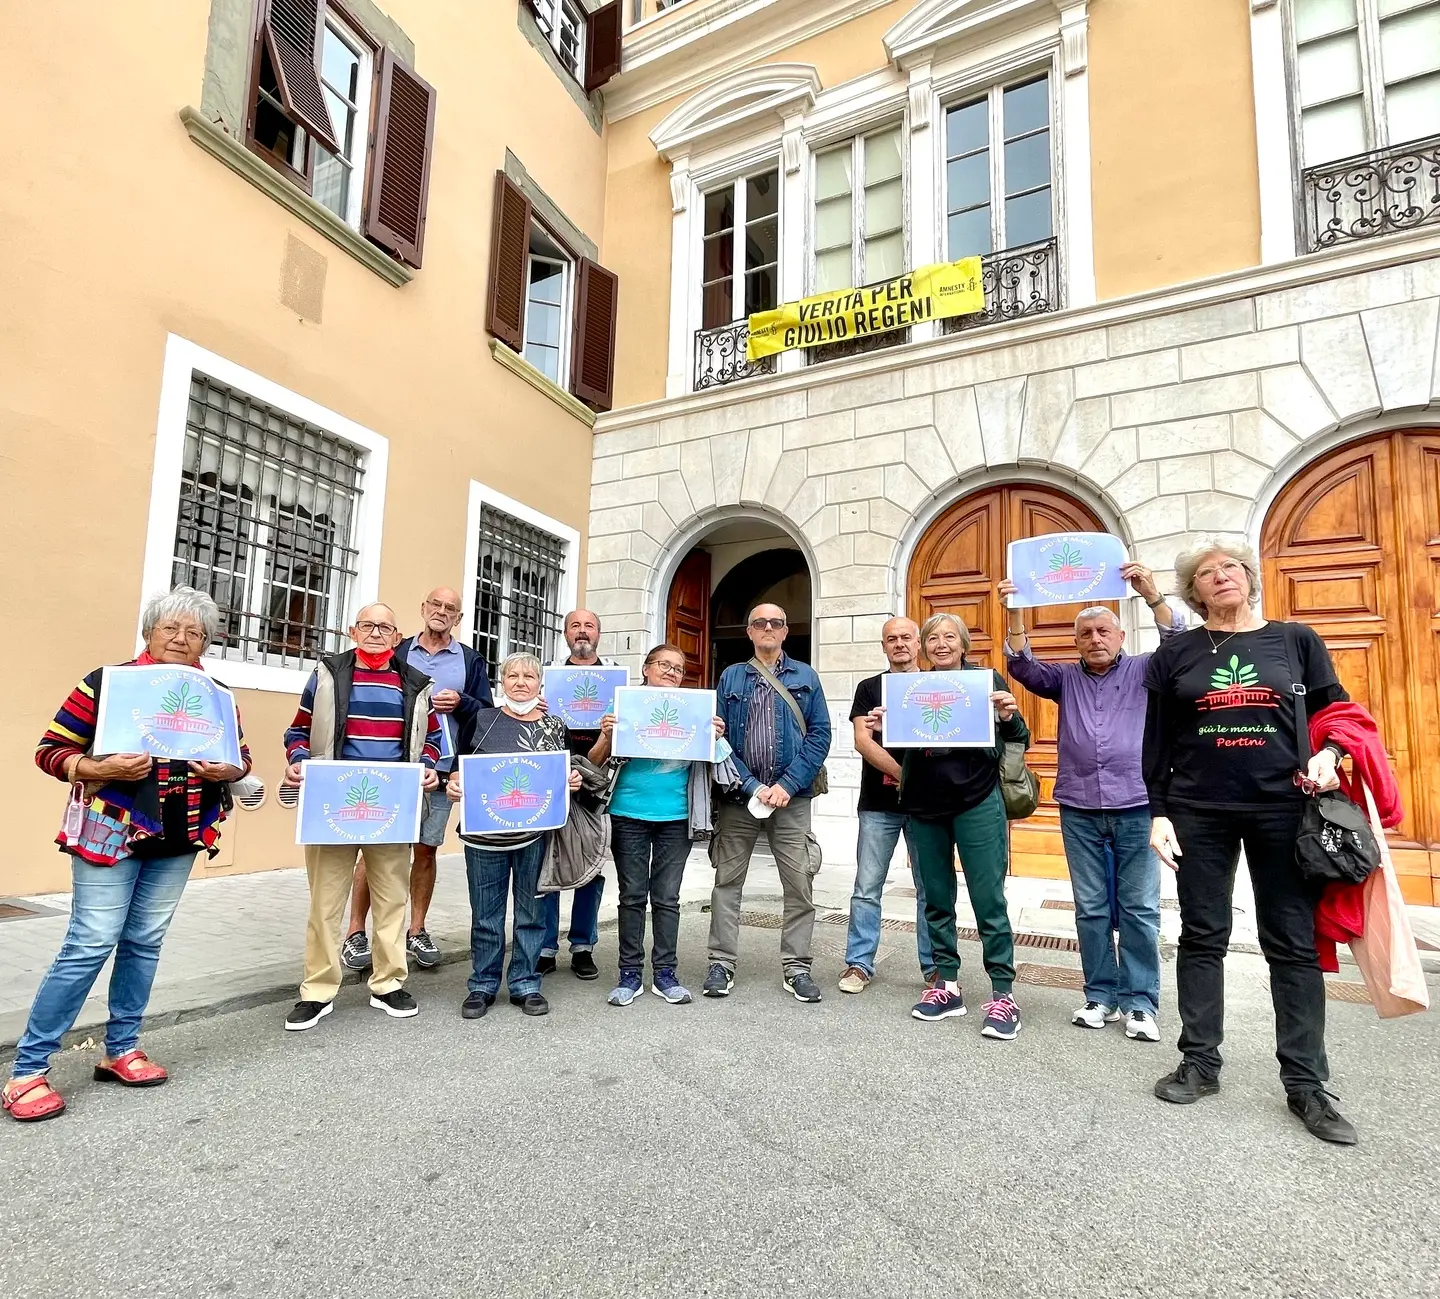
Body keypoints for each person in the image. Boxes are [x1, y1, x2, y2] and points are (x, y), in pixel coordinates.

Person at [4, 588, 250, 1123]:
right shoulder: (108, 683)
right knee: (90, 940)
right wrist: (99, 769)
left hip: (181, 831)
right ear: (149, 632)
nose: (182, 639)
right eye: (171, 629)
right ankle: (28, 1069)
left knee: (144, 941)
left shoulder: (216, 692)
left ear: (206, 642)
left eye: (195, 633)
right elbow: (50, 750)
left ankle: (121, 1050)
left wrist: (227, 771)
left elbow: (239, 758)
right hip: (111, 828)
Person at [1143, 541, 1359, 1144]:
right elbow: (1156, 740)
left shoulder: (1295, 641)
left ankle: (1307, 1086)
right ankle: (1200, 1062)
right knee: (1201, 934)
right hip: (1197, 811)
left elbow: (1336, 713)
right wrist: (1158, 812)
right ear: (1194, 592)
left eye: (1230, 568)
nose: (1220, 577)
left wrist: (1331, 753)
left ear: (1249, 578)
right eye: (1207, 574)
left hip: (1283, 807)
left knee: (1290, 942)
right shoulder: (1177, 653)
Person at [999, 563, 1183, 1042]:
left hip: (1137, 805)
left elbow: (1179, 643)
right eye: (1085, 633)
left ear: (1121, 635)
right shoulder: (1065, 679)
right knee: (1091, 907)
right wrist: (1016, 612)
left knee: (1140, 907)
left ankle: (1141, 1004)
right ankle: (1100, 995)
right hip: (1079, 806)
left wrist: (1152, 594)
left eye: (1104, 630)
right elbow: (1021, 666)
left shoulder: (1145, 669)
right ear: (1076, 640)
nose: (1095, 638)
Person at [865, 612, 1030, 1040]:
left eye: (949, 637)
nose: (941, 644)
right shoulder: (908, 689)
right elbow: (897, 743)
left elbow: (1019, 735)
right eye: (933, 637)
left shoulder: (986, 680)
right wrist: (886, 727)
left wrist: (1009, 715)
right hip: (924, 804)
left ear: (963, 645)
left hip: (977, 800)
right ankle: (947, 986)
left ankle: (1003, 994)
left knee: (988, 899)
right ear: (924, 645)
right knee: (937, 898)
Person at [282, 604, 441, 1031]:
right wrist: (298, 759)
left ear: (396, 636)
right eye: (367, 625)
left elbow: (435, 740)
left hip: (391, 808)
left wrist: (428, 766)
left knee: (391, 899)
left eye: (385, 627)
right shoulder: (327, 674)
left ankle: (388, 983)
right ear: (353, 630)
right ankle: (317, 990)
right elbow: (297, 730)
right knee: (325, 902)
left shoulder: (417, 682)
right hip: (332, 805)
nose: (375, 632)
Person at [340, 587, 493, 973]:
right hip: (397, 768)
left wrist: (462, 702)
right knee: (374, 848)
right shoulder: (399, 650)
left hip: (441, 768)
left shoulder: (471, 660)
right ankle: (356, 932)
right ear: (423, 609)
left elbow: (486, 716)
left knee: (425, 849)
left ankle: (417, 930)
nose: (442, 612)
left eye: (451, 609)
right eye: (436, 605)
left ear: (458, 618)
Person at [586, 643, 728, 1007]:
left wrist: (715, 735)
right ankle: (629, 974)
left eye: (678, 668)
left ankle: (666, 974)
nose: (671, 672)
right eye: (664, 665)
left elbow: (721, 761)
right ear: (646, 670)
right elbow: (594, 762)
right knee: (632, 896)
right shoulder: (624, 705)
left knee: (667, 898)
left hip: (677, 816)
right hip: (628, 813)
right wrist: (605, 734)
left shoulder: (694, 712)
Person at [703, 603, 831, 1003]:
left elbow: (821, 736)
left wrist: (788, 784)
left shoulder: (806, 676)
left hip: (791, 801)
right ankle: (721, 963)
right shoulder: (731, 677)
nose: (768, 628)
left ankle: (797, 968)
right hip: (739, 798)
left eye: (776, 622)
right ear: (750, 631)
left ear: (785, 630)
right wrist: (753, 785)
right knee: (727, 882)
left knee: (798, 884)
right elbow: (717, 737)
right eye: (760, 623)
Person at [446, 652, 583, 1019]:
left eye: (529, 676)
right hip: (484, 837)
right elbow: (458, 771)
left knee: (532, 912)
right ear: (501, 681)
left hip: (535, 837)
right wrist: (454, 785)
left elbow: (566, 774)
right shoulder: (482, 720)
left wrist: (573, 780)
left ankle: (525, 983)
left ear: (540, 684)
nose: (521, 682)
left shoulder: (555, 727)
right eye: (513, 675)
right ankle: (483, 984)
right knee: (486, 915)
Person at [838, 617, 935, 994]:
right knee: (867, 886)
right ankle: (859, 964)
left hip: (928, 805)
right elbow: (863, 741)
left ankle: (934, 968)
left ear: (919, 644)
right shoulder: (869, 688)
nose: (899, 644)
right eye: (891, 639)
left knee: (930, 888)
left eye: (906, 638)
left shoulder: (935, 686)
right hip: (878, 803)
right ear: (884, 646)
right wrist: (905, 775)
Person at [541, 608, 616, 981]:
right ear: (566, 633)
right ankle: (545, 946)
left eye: (589, 626)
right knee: (549, 861)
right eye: (575, 626)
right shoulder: (547, 677)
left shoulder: (616, 680)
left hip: (598, 781)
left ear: (598, 634)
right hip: (553, 777)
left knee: (592, 866)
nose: (582, 631)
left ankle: (583, 945)